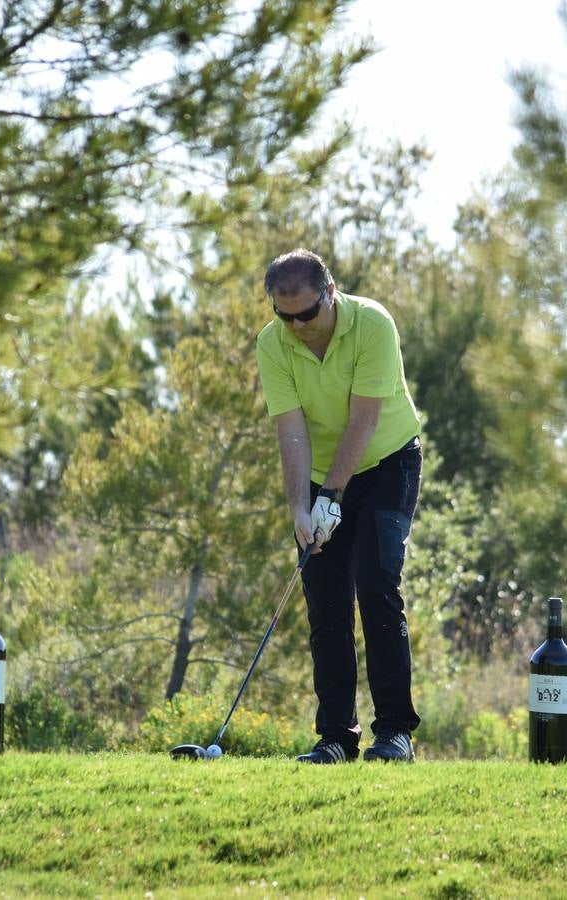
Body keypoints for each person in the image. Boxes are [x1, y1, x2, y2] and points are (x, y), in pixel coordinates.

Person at [255, 248, 423, 764]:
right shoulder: (274, 343)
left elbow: (364, 422)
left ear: (330, 292)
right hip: (320, 476)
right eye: (285, 317)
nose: (297, 326)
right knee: (326, 604)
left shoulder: (372, 324)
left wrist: (332, 497)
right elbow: (291, 431)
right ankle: (336, 738)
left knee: (375, 584)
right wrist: (301, 510)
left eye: (306, 314)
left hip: (387, 465)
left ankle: (395, 733)